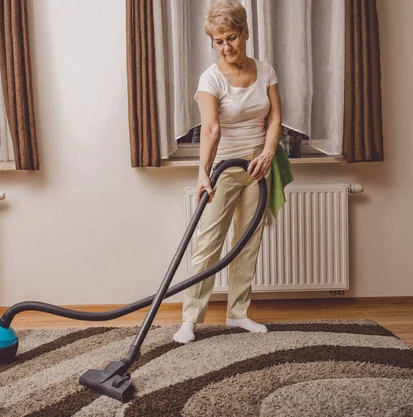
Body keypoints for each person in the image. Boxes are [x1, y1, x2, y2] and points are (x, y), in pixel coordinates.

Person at [173, 0, 284, 344]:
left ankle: (237, 314)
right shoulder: (211, 78)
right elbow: (211, 129)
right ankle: (190, 319)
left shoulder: (265, 71)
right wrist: (203, 173)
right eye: (218, 41)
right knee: (208, 243)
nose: (226, 47)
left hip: (257, 167)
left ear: (245, 33)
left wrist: (267, 154)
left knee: (247, 243)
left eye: (231, 38)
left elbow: (275, 117)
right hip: (223, 168)